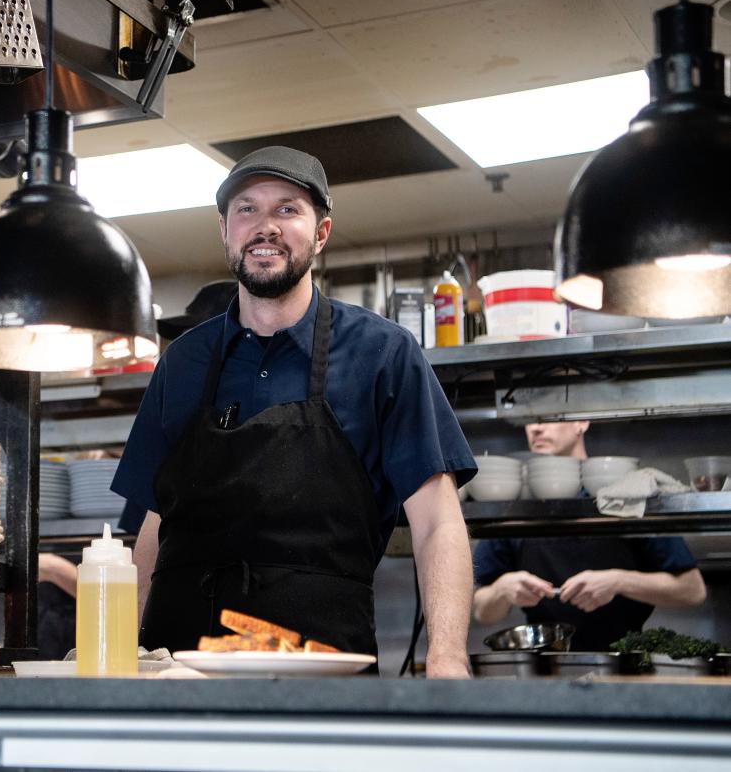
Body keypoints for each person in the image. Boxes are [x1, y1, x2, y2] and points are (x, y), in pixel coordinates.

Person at [111, 146, 478, 678]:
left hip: (324, 667)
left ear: (322, 233)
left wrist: (446, 657)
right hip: (179, 672)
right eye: (247, 209)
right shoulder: (182, 362)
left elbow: (437, 519)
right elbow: (153, 523)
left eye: (287, 209)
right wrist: (121, 654)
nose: (265, 226)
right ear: (224, 229)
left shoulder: (384, 353)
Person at [472, 421, 707, 650]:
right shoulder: (517, 504)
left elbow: (692, 590)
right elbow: (482, 611)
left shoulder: (625, 495)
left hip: (621, 664)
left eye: (549, 418)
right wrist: (501, 589)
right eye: (529, 420)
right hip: (546, 668)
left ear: (581, 423)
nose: (536, 427)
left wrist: (618, 581)